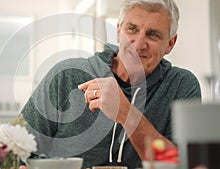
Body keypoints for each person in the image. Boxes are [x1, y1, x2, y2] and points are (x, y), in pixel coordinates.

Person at [19, 0, 201, 169]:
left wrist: (125, 112)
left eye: (153, 35)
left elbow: (182, 164)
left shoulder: (182, 86)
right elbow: (17, 149)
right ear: (118, 30)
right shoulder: (67, 75)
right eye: (132, 29)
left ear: (170, 43)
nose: (138, 44)